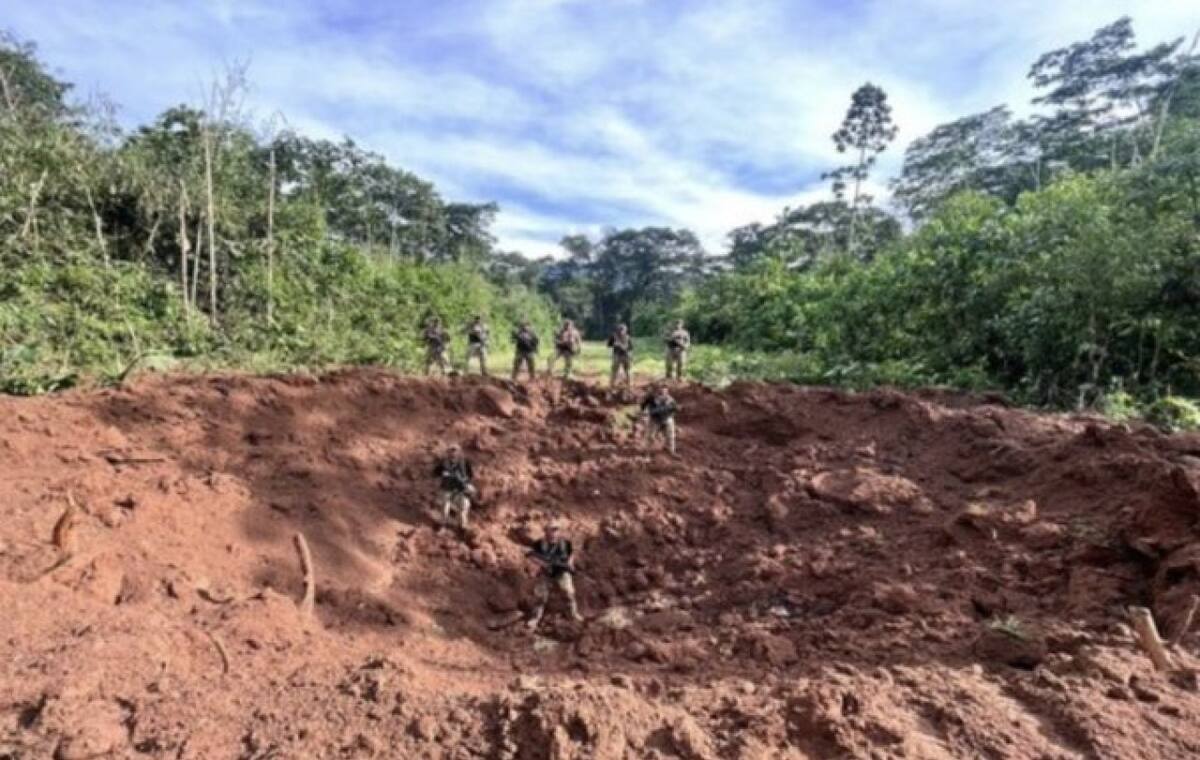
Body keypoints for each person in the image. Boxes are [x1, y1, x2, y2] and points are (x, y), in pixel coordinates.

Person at [525, 521, 583, 630]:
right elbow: (531, 556)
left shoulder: (565, 543)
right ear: (545, 531)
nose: (553, 533)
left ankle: (573, 614)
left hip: (561, 572)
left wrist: (570, 564)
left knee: (569, 592)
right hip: (546, 573)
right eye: (550, 530)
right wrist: (543, 564)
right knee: (540, 596)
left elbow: (571, 554)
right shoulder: (539, 544)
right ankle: (535, 618)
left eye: (555, 530)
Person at [432, 444, 475, 530]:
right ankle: (443, 523)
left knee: (464, 505)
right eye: (451, 452)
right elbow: (435, 472)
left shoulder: (465, 462)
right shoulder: (444, 463)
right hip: (447, 488)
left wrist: (467, 484)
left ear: (459, 452)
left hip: (460, 489)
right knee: (445, 505)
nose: (453, 454)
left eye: (455, 451)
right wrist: (443, 473)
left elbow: (470, 475)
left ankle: (462, 526)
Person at [639, 384, 679, 454]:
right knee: (650, 437)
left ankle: (670, 451)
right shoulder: (651, 398)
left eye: (664, 391)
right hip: (654, 419)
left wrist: (670, 414)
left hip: (667, 419)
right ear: (657, 391)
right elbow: (643, 405)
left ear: (667, 392)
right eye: (660, 391)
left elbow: (675, 409)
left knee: (670, 436)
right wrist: (644, 412)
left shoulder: (670, 400)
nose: (662, 393)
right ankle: (647, 451)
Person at [606, 323, 634, 388]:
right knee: (617, 371)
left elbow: (630, 348)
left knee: (625, 371)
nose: (622, 332)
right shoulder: (624, 337)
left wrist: (617, 344)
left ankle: (627, 385)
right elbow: (630, 349)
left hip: (622, 356)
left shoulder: (625, 337)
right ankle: (613, 385)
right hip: (619, 355)